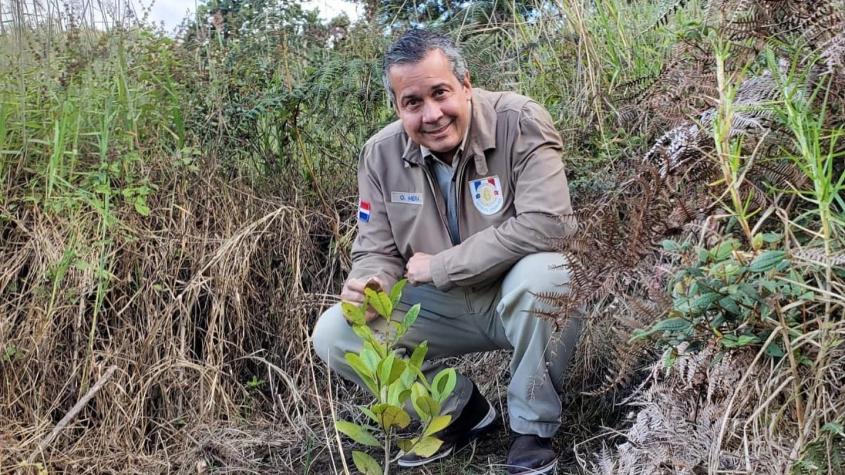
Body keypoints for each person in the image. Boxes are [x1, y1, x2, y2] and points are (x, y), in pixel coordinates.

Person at [312, 29, 582, 475]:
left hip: (513, 295)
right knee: (335, 333)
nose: (431, 114)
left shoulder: (521, 121)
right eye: (412, 102)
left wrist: (442, 266)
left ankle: (531, 430)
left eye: (440, 93)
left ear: (466, 84)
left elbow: (550, 225)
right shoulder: (379, 154)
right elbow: (374, 249)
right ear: (397, 106)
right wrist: (372, 281)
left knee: (551, 274)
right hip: (441, 308)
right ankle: (458, 412)